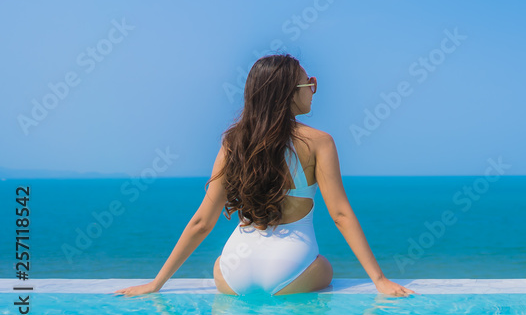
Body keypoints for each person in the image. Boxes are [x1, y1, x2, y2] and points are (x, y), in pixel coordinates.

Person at [114, 54, 415, 298]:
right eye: (308, 83)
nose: (313, 89)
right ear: (288, 93)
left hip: (231, 272)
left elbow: (201, 222)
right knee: (327, 269)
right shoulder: (319, 142)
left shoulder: (234, 143)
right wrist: (380, 280)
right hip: (290, 270)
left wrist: (156, 283)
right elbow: (339, 214)